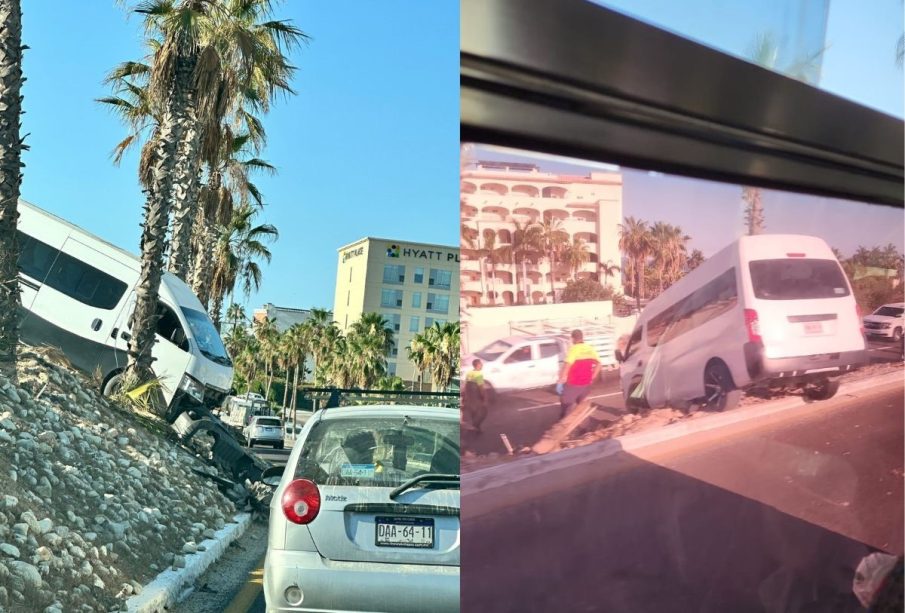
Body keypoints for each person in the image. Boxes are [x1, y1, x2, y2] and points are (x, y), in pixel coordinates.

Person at [556, 329, 601, 419]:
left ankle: (564, 426)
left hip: (573, 383)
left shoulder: (574, 349)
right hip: (586, 384)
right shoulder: (590, 348)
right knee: (582, 406)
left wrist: (560, 381)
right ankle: (584, 426)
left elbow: (567, 366)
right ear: (582, 337)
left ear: (572, 338)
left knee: (566, 405)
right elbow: (599, 364)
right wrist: (592, 377)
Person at [463, 359, 489, 431]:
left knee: (473, 411)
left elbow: (466, 385)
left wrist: (465, 396)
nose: (482, 365)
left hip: (470, 395)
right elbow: (481, 387)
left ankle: (475, 425)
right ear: (477, 365)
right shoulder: (478, 374)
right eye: (481, 364)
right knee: (484, 411)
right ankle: (476, 425)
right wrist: (484, 398)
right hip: (476, 395)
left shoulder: (469, 373)